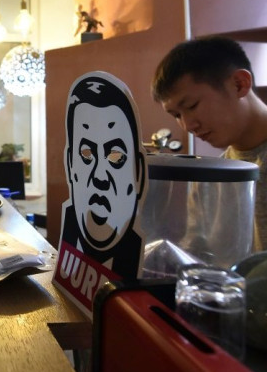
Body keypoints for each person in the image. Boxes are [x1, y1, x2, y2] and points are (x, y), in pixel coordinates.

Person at [152, 35, 267, 253]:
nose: (187, 125)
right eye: (176, 114)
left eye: (192, 105)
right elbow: (197, 254)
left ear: (239, 84)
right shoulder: (211, 178)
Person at [60, 72, 146, 281]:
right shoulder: (68, 249)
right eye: (86, 154)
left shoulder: (139, 262)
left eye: (116, 157)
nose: (100, 177)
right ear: (71, 165)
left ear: (139, 175)